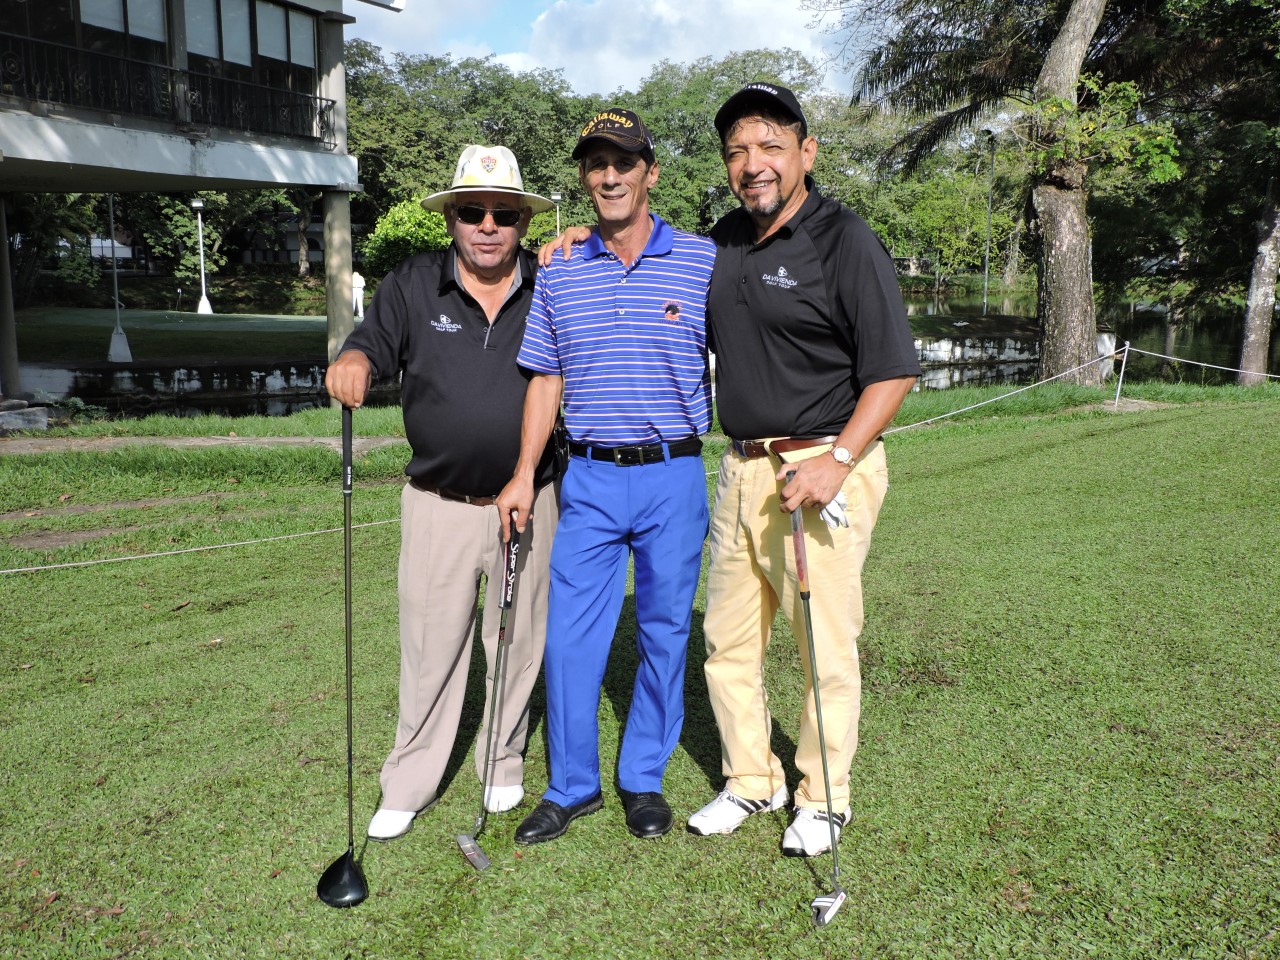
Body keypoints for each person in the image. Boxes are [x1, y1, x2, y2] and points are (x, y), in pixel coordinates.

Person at [685, 83, 921, 857]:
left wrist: (838, 461)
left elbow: (893, 371)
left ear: (806, 153)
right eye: (737, 151)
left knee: (823, 646)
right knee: (727, 641)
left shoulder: (843, 239)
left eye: (770, 146)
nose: (753, 164)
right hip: (741, 469)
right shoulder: (722, 240)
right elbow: (651, 266)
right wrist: (580, 237)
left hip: (821, 467)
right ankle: (752, 780)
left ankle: (824, 797)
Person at [325, 145, 560, 841]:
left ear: (523, 222)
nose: (488, 226)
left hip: (530, 495)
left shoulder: (551, 282)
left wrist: (578, 236)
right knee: (431, 646)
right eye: (472, 211)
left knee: (517, 637)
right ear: (451, 217)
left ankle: (502, 759)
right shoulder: (412, 283)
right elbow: (371, 342)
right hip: (439, 503)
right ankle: (410, 779)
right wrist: (354, 358)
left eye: (504, 214)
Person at [495, 108, 715, 845]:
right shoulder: (559, 268)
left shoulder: (701, 260)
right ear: (586, 178)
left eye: (624, 162)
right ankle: (572, 785)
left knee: (664, 632)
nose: (610, 175)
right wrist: (522, 473)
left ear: (651, 172)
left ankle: (643, 776)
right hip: (587, 477)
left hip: (672, 475)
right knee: (570, 639)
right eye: (597, 164)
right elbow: (545, 378)